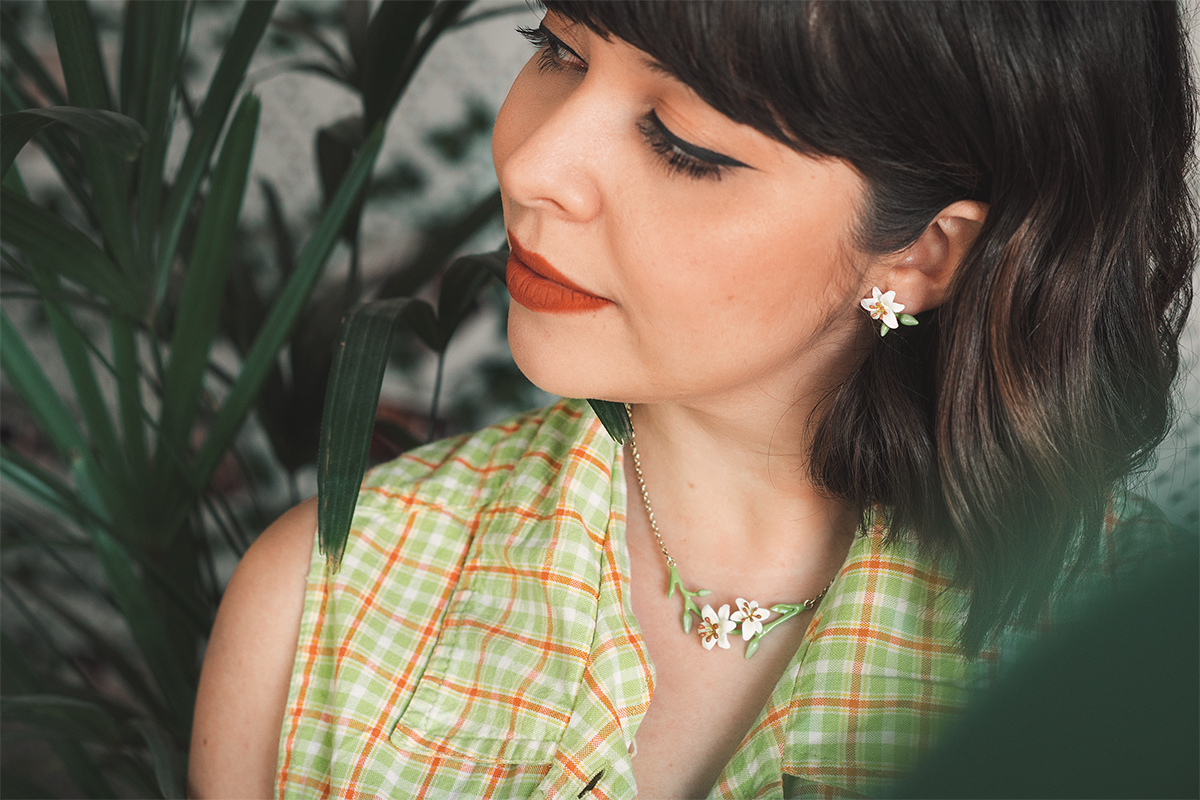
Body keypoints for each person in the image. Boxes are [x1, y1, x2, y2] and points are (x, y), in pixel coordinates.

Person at [188, 0, 1196, 798]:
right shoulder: (326, 601)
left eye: (681, 144)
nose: (535, 167)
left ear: (921, 250)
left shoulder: (1133, 673)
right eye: (559, 50)